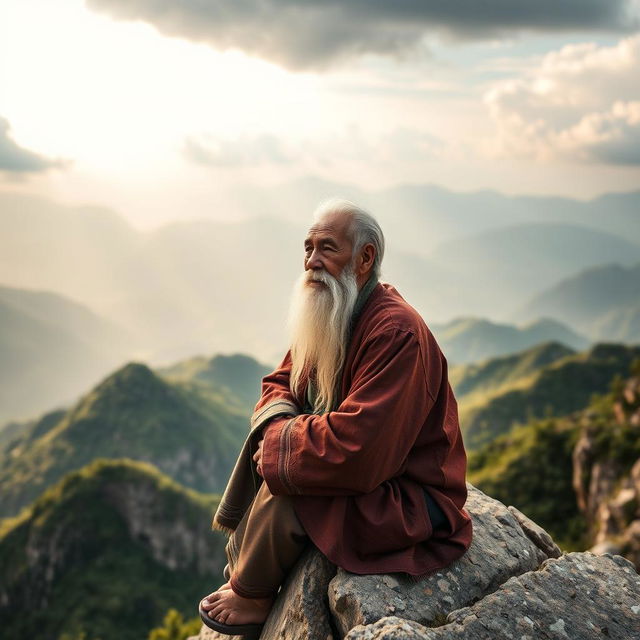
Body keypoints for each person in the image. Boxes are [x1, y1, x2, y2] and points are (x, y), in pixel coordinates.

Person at [199, 198, 473, 638]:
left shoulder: (395, 333)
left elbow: (360, 450)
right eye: (307, 248)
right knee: (287, 459)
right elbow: (281, 380)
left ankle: (252, 594)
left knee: (292, 482)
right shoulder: (335, 308)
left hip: (413, 496)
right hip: (374, 476)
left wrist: (280, 446)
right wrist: (277, 432)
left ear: (365, 259)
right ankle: (248, 568)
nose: (311, 262)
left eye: (327, 248)